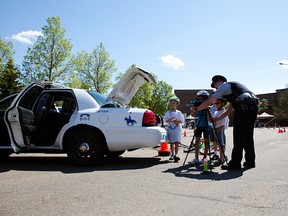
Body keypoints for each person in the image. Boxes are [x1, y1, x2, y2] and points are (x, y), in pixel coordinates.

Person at [196, 75, 258, 170]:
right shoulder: (233, 89)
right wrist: (217, 119)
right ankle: (250, 161)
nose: (215, 87)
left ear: (220, 81)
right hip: (252, 105)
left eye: (215, 84)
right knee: (248, 136)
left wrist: (197, 109)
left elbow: (208, 102)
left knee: (239, 136)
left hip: (244, 107)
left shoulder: (224, 87)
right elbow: (229, 111)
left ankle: (235, 163)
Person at [188, 90, 210, 165]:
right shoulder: (196, 105)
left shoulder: (208, 105)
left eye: (202, 99)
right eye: (199, 98)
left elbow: (210, 116)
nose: (200, 100)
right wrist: (193, 110)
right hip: (199, 124)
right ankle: (196, 158)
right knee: (197, 140)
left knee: (206, 141)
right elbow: (193, 115)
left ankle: (205, 158)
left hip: (206, 125)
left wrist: (207, 108)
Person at [163, 96, 185, 162]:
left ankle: (176, 154)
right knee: (171, 142)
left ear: (176, 104)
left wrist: (176, 121)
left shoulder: (179, 113)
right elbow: (165, 120)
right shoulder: (168, 112)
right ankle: (172, 154)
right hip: (170, 129)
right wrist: (169, 120)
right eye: (171, 103)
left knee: (176, 142)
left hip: (177, 129)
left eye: (174, 103)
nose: (172, 104)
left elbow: (182, 121)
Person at [211, 98, 229, 166]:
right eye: (215, 103)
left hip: (220, 130)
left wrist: (219, 128)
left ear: (222, 104)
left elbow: (224, 124)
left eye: (217, 103)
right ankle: (222, 157)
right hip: (215, 129)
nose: (216, 105)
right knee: (217, 144)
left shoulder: (224, 112)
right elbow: (214, 121)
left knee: (221, 145)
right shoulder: (216, 112)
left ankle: (221, 159)